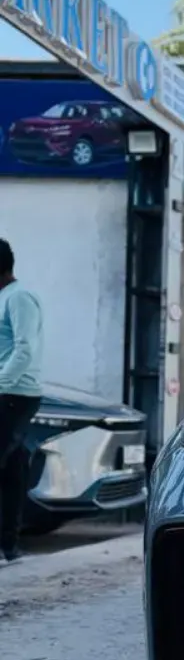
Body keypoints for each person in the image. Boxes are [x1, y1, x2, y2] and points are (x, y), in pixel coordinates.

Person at [0, 239, 43, 562]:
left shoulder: (19, 298)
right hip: (8, 392)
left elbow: (25, 348)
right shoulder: (4, 297)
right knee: (12, 470)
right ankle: (8, 546)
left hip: (14, 394)